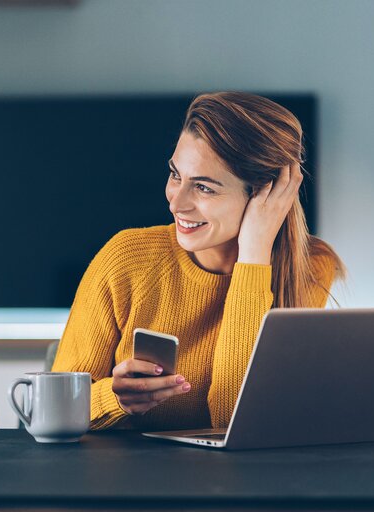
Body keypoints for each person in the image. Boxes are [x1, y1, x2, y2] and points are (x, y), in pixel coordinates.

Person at [52, 91, 346, 431]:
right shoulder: (126, 259)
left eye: (204, 188)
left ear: (265, 194)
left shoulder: (309, 267)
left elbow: (232, 422)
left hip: (245, 482)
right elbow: (57, 409)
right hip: (128, 477)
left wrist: (253, 257)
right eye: (176, 175)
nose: (177, 203)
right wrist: (114, 397)